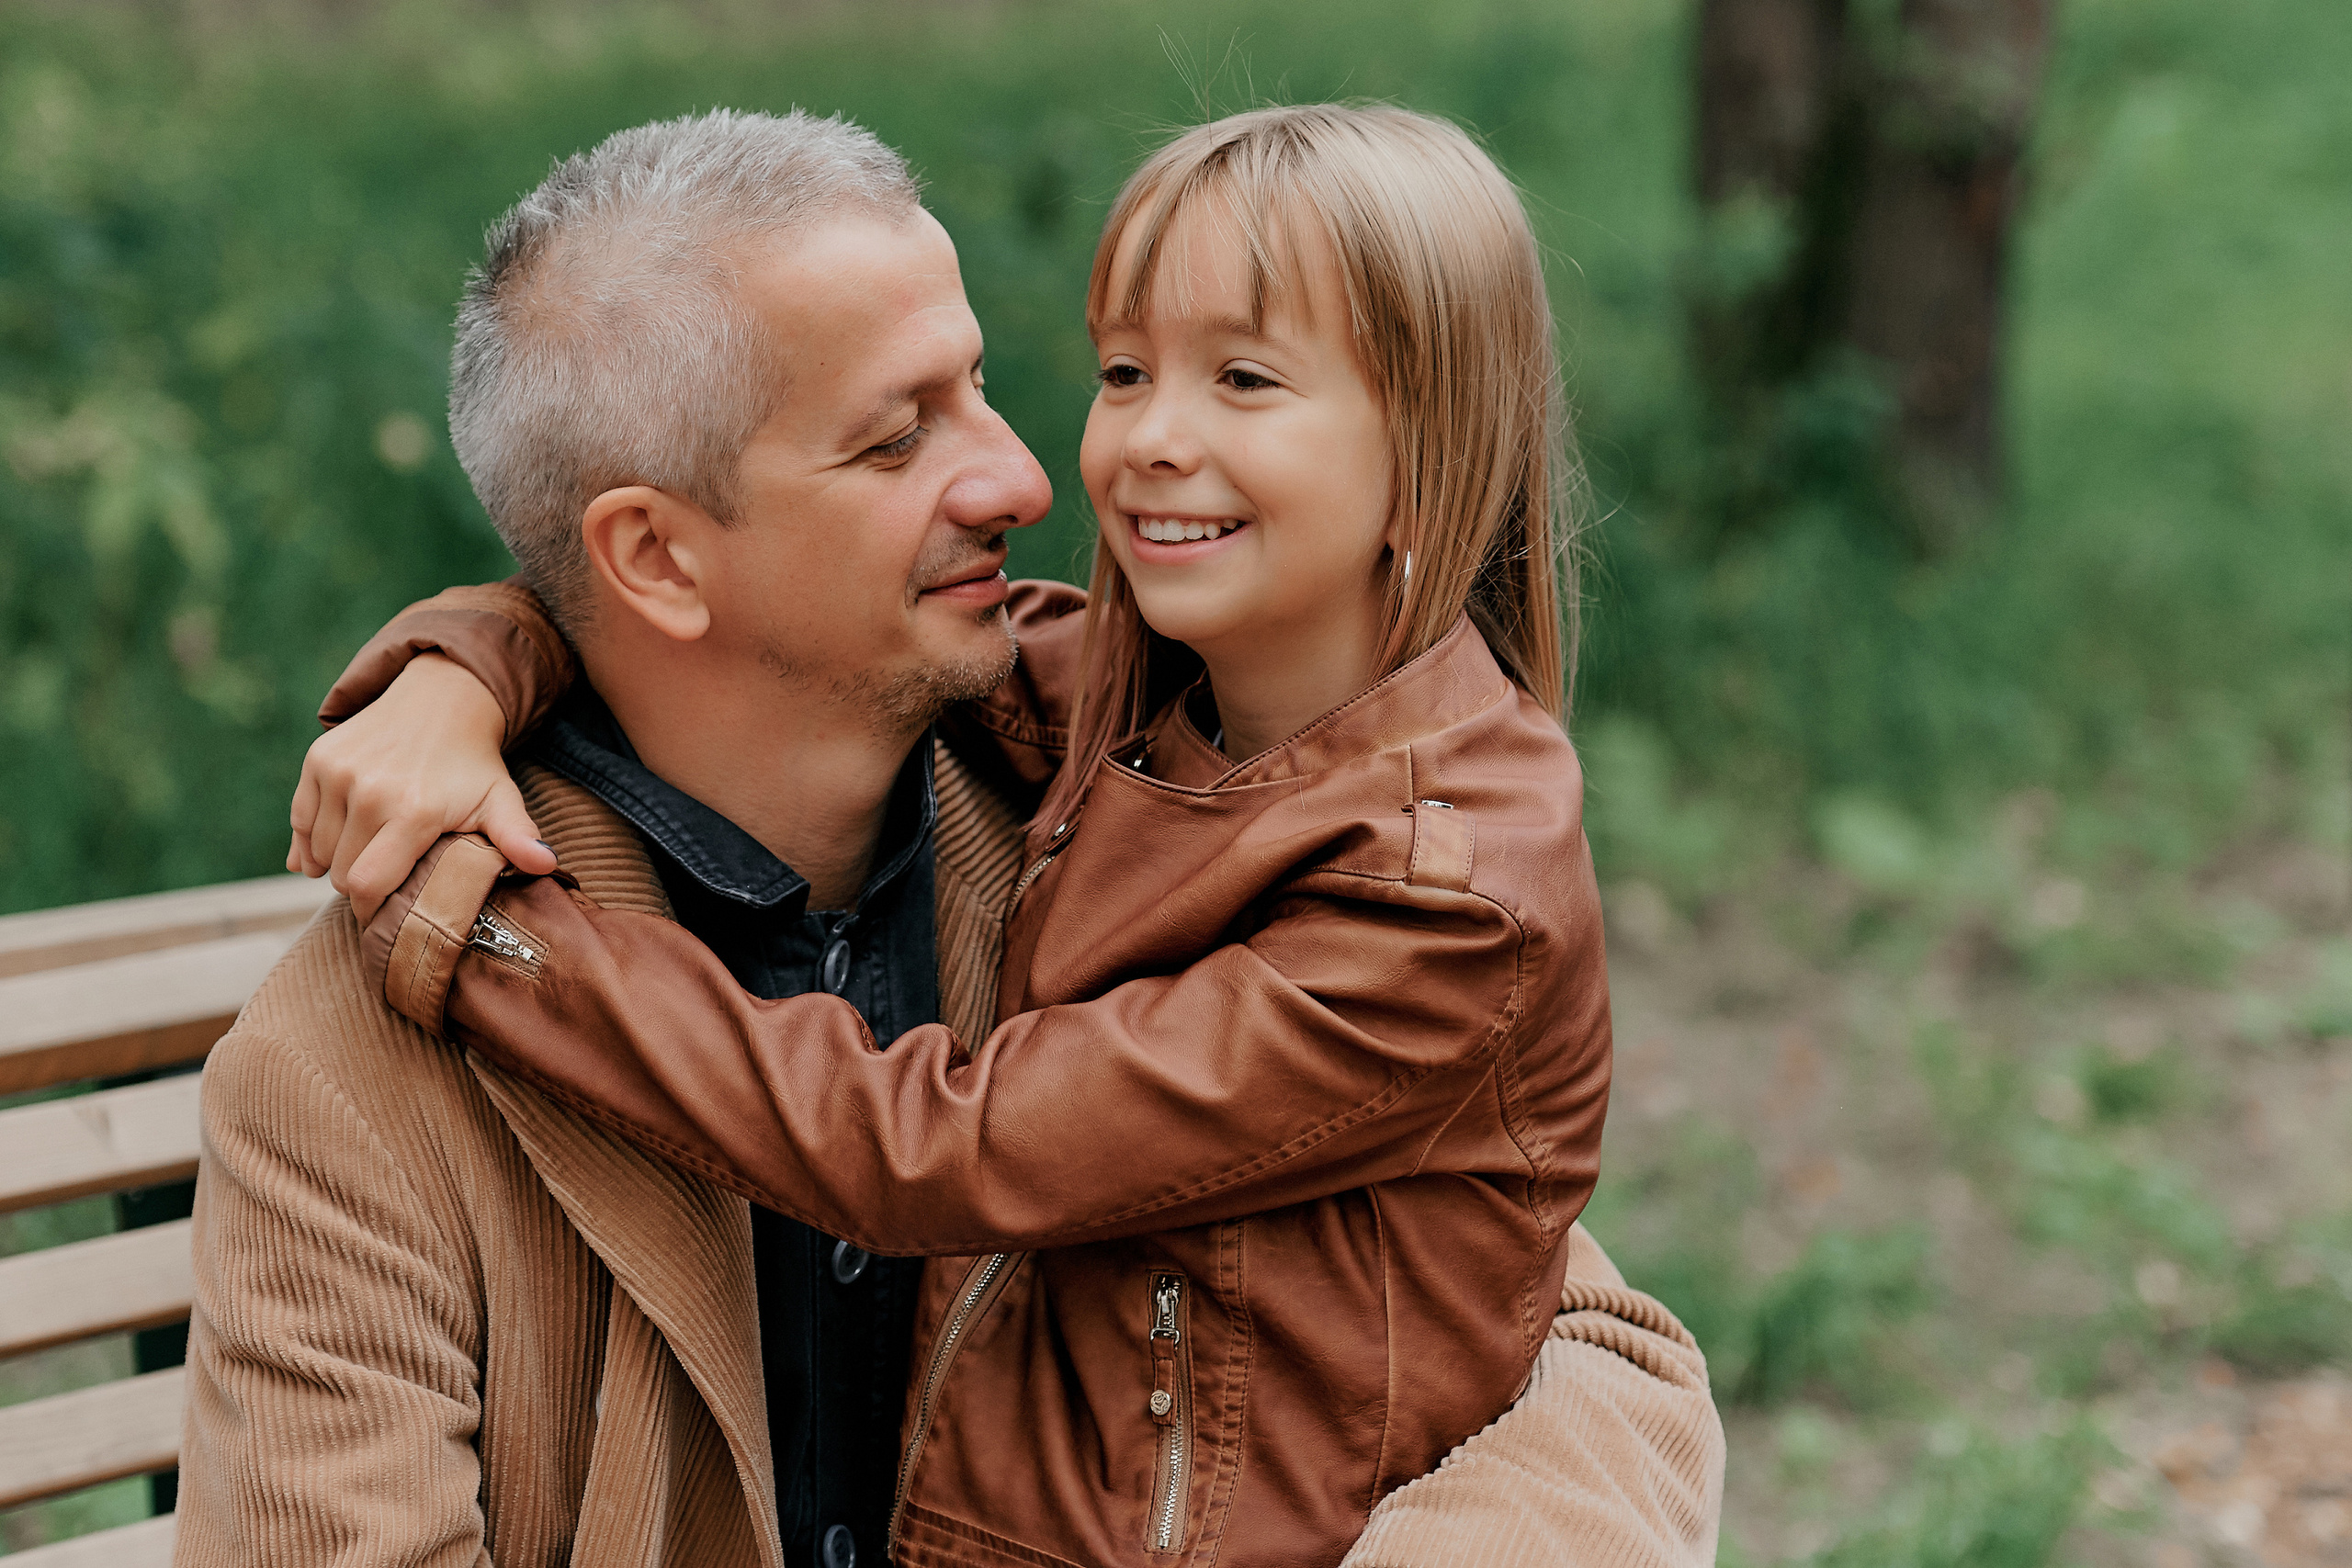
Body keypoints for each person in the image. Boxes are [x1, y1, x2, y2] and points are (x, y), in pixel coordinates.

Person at [287, 107, 1721, 1566]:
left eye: (1243, 379)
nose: (1120, 449)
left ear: (1429, 452)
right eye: (1123, 371)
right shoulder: (1144, 706)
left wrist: (492, 938)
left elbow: (935, 1146)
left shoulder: (1447, 886)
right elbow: (636, 593)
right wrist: (456, 668)